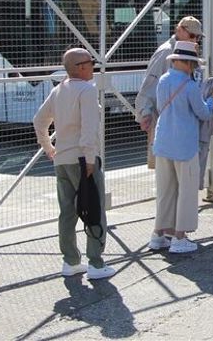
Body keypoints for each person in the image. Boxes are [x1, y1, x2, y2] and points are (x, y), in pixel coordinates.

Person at [33, 48, 116, 280]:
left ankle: (70, 260)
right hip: (83, 159)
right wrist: (90, 158)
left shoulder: (59, 90)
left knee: (67, 212)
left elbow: (39, 120)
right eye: (90, 62)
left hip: (62, 159)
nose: (93, 66)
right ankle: (96, 263)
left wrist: (49, 148)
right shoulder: (87, 91)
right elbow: (89, 127)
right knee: (94, 208)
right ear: (80, 66)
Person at [147, 41, 213, 254]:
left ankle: (158, 234)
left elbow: (160, 107)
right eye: (193, 64)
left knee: (165, 191)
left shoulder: (163, 80)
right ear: (187, 63)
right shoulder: (189, 85)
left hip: (163, 142)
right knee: (186, 191)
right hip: (185, 144)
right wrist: (212, 101)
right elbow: (203, 113)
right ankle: (180, 236)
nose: (194, 68)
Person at [135, 16, 203, 169]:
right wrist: (144, 112)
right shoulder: (166, 51)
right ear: (179, 30)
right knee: (167, 172)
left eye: (197, 37)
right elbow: (149, 86)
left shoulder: (188, 50)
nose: (195, 40)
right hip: (166, 121)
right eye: (192, 35)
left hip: (183, 120)